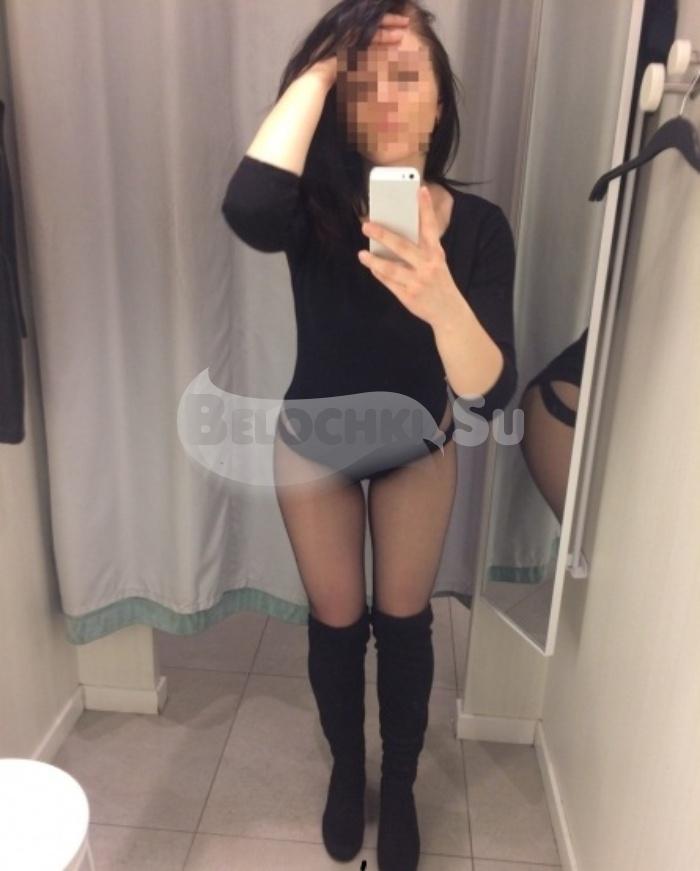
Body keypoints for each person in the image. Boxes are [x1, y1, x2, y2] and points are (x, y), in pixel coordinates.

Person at [221, 2, 517, 868]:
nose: (385, 97)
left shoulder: (480, 228)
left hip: (416, 448)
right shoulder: (311, 209)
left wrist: (440, 297)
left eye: (406, 75)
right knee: (336, 624)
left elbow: (490, 390)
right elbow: (247, 206)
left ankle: (401, 783)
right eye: (364, 83)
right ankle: (349, 771)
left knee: (406, 624)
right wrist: (326, 61)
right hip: (313, 443)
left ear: (440, 98)